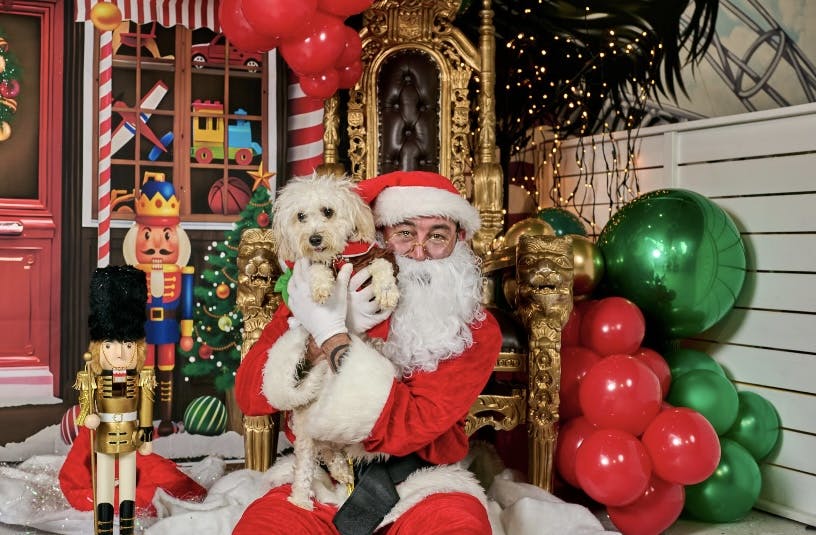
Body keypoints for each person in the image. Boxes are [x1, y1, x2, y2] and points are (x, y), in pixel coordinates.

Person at [234, 170, 501, 534]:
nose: (420, 252)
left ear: (459, 242)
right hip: (317, 479)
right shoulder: (315, 294)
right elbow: (251, 394)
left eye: (438, 236)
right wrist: (317, 333)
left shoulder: (472, 328)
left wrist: (335, 338)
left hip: (422, 482)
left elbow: (411, 426)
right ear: (378, 235)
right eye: (405, 234)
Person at [71, 265, 156, 535]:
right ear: (99, 349)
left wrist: (146, 434)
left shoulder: (142, 376)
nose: (120, 353)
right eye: (111, 346)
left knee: (129, 478)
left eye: (128, 346)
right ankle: (105, 526)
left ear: (138, 349)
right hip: (105, 431)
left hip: (130, 432)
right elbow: (86, 402)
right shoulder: (93, 376)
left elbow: (145, 404)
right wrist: (89, 415)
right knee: (105, 478)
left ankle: (127, 526)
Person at [123, 171, 194, 436]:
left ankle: (165, 419)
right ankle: (144, 420)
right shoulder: (133, 273)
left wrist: (187, 331)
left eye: (166, 235)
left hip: (167, 326)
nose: (157, 244)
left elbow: (186, 305)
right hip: (144, 327)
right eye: (148, 234)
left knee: (167, 371)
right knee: (145, 371)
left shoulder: (182, 272)